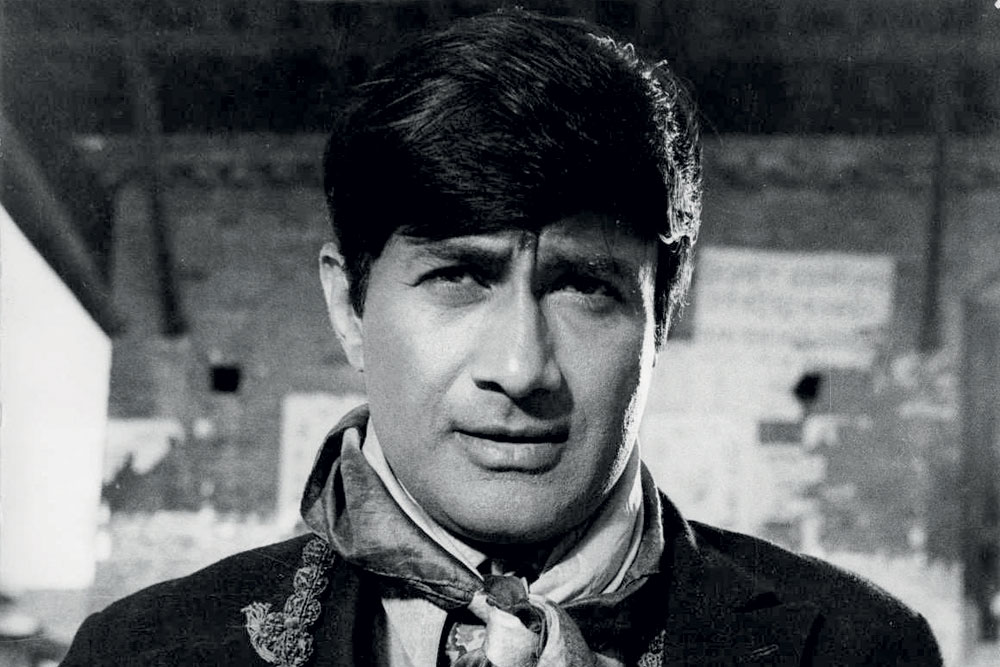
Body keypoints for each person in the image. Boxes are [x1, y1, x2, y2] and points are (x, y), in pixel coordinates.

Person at [62, 9, 942, 666]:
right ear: (349, 306)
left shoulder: (858, 650)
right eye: (459, 277)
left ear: (662, 315)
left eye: (585, 287)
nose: (521, 368)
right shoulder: (139, 654)